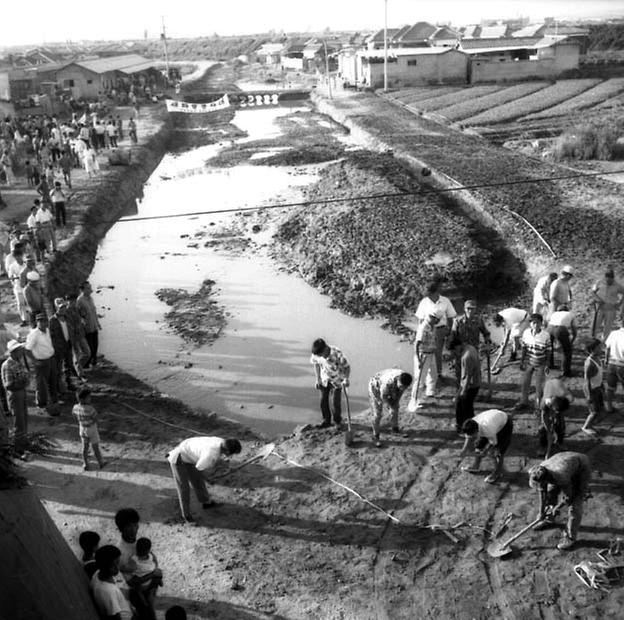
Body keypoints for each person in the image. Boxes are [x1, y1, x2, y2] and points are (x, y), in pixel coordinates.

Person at [167, 436, 242, 523]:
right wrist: (209, 479)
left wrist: (228, 467)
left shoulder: (222, 442)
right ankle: (186, 515)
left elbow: (211, 463)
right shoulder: (209, 454)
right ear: (227, 451)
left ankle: (206, 503)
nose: (231, 456)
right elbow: (199, 469)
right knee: (184, 488)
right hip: (178, 458)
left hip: (190, 453)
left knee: (198, 481)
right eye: (232, 454)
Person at [529, 451, 591, 550]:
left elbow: (568, 497)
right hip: (564, 462)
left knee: (575, 503)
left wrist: (557, 508)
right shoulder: (538, 470)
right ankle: (548, 519)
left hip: (581, 467)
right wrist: (541, 512)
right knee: (550, 493)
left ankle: (570, 537)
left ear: (546, 479)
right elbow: (542, 492)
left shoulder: (561, 476)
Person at [415, 280, 456, 377]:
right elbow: (420, 320)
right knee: (425, 353)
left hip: (440, 330)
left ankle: (438, 374)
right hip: (427, 331)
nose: (427, 296)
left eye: (429, 293)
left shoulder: (445, 301)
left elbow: (451, 317)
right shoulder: (424, 302)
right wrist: (419, 334)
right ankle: (424, 376)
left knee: (438, 352)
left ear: (435, 292)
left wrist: (449, 331)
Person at [459, 409, 513, 484]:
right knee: (478, 445)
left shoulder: (488, 430)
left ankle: (497, 472)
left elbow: (494, 443)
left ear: (476, 431)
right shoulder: (471, 423)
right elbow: (468, 436)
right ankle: (475, 466)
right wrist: (463, 450)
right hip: (492, 420)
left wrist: (485, 451)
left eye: (472, 435)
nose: (471, 437)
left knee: (499, 451)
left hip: (504, 423)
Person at [310, 338, 350, 428]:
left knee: (335, 402)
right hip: (324, 379)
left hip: (337, 380)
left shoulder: (337, 353)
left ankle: (337, 422)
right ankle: (326, 420)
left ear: (325, 348)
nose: (320, 357)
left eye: (321, 355)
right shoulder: (317, 354)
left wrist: (346, 379)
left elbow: (347, 367)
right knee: (323, 401)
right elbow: (316, 364)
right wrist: (318, 379)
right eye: (318, 355)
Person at [516, 314, 551, 411]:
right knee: (525, 383)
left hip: (541, 363)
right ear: (530, 324)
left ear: (541, 323)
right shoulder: (526, 333)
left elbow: (548, 350)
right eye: (534, 323)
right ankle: (524, 402)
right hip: (529, 361)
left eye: (538, 323)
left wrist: (548, 364)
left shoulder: (545, 335)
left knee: (539, 386)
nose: (536, 325)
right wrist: (522, 361)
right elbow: (524, 348)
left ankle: (538, 405)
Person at [368, 369, 412, 446]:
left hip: (390, 385)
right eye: (401, 386)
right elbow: (383, 397)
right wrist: (390, 404)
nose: (403, 389)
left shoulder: (404, 380)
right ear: (398, 380)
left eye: (405, 387)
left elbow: (400, 392)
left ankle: (395, 430)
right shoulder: (387, 384)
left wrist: (395, 403)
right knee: (377, 414)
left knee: (395, 408)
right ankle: (376, 436)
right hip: (376, 387)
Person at [24, 313, 58, 413]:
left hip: (51, 359)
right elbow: (27, 350)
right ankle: (41, 403)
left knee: (53, 380)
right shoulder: (33, 334)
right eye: (40, 321)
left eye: (44, 321)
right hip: (41, 362)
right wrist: (35, 361)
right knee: (41, 384)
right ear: (37, 322)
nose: (43, 323)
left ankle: (53, 400)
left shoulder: (47, 330)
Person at [90, 545, 134, 620]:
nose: (117, 568)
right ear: (103, 566)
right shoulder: (108, 591)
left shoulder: (97, 573)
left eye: (117, 563)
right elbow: (115, 617)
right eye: (112, 566)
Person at [1, 340, 30, 453]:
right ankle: (19, 446)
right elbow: (8, 385)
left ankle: (23, 440)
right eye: (18, 350)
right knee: (18, 420)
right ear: (13, 352)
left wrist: (24, 382)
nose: (20, 352)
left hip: (21, 392)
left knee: (24, 417)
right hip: (15, 394)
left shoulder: (18, 361)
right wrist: (22, 382)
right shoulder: (7, 365)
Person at [408, 311, 440, 411]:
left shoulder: (433, 327)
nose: (436, 320)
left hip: (431, 354)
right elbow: (416, 345)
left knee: (433, 375)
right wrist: (419, 360)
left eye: (436, 318)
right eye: (434, 318)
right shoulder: (423, 328)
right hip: (423, 355)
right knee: (420, 379)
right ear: (429, 317)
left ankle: (430, 393)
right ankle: (414, 401)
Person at [449, 335, 481, 433]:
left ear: (457, 346)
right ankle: (469, 426)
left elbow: (467, 376)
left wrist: (463, 391)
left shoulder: (466, 357)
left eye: (454, 351)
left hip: (470, 386)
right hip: (475, 382)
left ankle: (464, 428)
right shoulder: (471, 348)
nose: (455, 354)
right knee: (466, 406)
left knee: (464, 408)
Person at [539, 378, 574, 458]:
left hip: (558, 388)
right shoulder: (546, 401)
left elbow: (564, 404)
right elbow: (543, 414)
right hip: (547, 386)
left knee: (561, 424)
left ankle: (560, 442)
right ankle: (543, 446)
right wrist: (547, 429)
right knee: (542, 428)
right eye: (555, 411)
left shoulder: (569, 398)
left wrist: (558, 415)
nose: (556, 413)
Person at [127, 537, 163, 618]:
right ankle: (159, 582)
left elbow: (130, 568)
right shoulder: (150, 555)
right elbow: (155, 561)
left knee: (138, 590)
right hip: (149, 579)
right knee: (158, 573)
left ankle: (144, 600)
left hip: (143, 583)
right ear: (148, 549)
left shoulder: (134, 559)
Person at [72, 387, 105, 470]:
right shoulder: (90, 409)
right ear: (83, 399)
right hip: (91, 429)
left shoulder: (75, 407)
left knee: (85, 448)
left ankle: (85, 463)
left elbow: (74, 415)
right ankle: (101, 463)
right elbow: (95, 418)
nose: (90, 398)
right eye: (89, 397)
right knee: (95, 448)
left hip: (82, 429)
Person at [49, 298, 76, 393]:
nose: (63, 309)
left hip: (68, 344)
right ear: (57, 308)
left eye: (64, 307)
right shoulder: (52, 320)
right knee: (58, 368)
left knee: (68, 365)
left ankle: (69, 383)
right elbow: (51, 337)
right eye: (61, 307)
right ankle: (59, 387)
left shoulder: (67, 317)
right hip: (58, 348)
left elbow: (72, 330)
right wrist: (55, 348)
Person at [591, 268, 624, 340]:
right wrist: (598, 299)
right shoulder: (599, 283)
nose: (609, 281)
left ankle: (604, 343)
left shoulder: (617, 285)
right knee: (595, 325)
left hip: (611, 309)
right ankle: (592, 341)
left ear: (613, 278)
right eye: (607, 279)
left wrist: (619, 303)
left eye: (610, 280)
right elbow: (592, 292)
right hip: (599, 308)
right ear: (605, 277)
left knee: (607, 327)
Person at [547, 304, 577, 378]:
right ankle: (566, 371)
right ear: (567, 310)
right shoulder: (571, 314)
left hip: (549, 328)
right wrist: (572, 340)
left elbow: (548, 321)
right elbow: (574, 329)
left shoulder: (554, 313)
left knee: (550, 348)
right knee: (567, 351)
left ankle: (549, 364)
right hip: (560, 329)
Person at [582, 338, 604, 436]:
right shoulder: (589, 364)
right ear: (592, 350)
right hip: (592, 390)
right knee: (594, 412)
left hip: (597, 388)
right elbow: (586, 381)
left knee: (599, 409)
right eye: (598, 347)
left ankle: (591, 424)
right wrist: (589, 396)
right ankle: (585, 427)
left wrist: (601, 386)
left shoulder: (598, 359)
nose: (601, 349)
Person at [77, 281, 101, 368]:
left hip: (94, 326)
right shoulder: (79, 301)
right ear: (82, 290)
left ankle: (94, 363)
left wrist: (98, 323)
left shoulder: (90, 299)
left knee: (95, 346)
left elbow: (94, 312)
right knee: (89, 348)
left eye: (90, 287)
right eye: (88, 288)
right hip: (87, 328)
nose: (90, 289)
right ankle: (85, 366)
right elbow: (79, 315)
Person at [604, 325, 624, 414]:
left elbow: (607, 348)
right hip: (622, 365)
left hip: (612, 363)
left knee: (610, 387)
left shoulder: (613, 333)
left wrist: (606, 359)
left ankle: (609, 407)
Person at [7, 246, 27, 325]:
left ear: (22, 256)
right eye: (16, 257)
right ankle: (24, 319)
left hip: (27, 286)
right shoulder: (12, 266)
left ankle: (33, 318)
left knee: (29, 302)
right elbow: (10, 276)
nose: (18, 258)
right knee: (20, 304)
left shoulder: (26, 264)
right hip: (18, 287)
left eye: (19, 256)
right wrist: (14, 279)